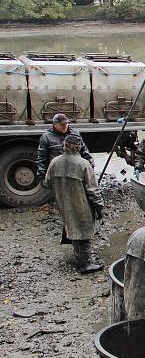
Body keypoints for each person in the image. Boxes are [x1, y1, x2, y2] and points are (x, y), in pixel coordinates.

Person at [42, 134, 104, 273]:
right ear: (79, 147)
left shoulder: (54, 162)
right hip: (82, 205)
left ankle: (79, 257)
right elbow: (93, 191)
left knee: (73, 227)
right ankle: (85, 264)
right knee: (85, 232)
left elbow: (47, 183)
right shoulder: (83, 164)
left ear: (64, 146)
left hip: (64, 204)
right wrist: (100, 207)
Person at [36, 113, 93, 180]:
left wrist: (90, 166)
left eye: (66, 124)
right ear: (55, 125)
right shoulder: (46, 137)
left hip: (75, 172)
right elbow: (42, 158)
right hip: (57, 173)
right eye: (62, 124)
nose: (65, 126)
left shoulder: (75, 134)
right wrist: (42, 176)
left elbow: (84, 151)